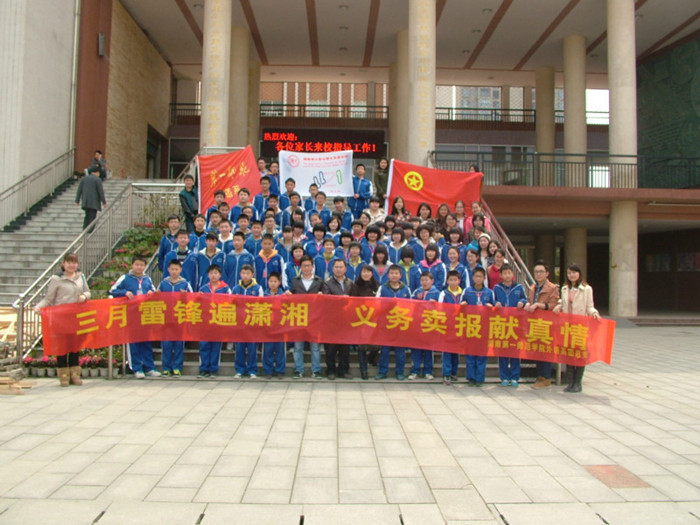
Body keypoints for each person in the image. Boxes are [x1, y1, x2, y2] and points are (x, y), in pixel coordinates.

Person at [34, 253, 90, 386]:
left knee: (75, 346)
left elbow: (88, 292)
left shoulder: (81, 277)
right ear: (63, 264)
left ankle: (75, 374)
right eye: (69, 262)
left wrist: (84, 297)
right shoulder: (56, 279)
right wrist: (38, 307)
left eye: (74, 262)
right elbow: (49, 299)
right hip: (61, 318)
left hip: (76, 317)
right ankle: (63, 375)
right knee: (62, 346)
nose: (72, 265)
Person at [109, 256, 160, 379]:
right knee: (133, 343)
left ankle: (149, 367)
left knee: (146, 342)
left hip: (145, 315)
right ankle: (137, 368)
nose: (139, 267)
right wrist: (124, 293)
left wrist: (151, 293)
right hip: (131, 315)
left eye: (142, 265)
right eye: (137, 265)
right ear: (132, 265)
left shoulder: (147, 279)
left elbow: (154, 291)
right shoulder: (125, 278)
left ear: (145, 266)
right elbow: (112, 290)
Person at [554, 263, 600, 393]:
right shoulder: (565, 289)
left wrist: (594, 313)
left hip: (580, 326)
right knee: (568, 353)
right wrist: (559, 307)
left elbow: (589, 306)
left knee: (580, 354)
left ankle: (578, 383)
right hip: (567, 326)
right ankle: (571, 382)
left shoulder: (586, 289)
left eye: (574, 273)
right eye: (569, 273)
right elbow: (563, 304)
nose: (571, 275)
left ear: (579, 274)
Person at [524, 260, 561, 389]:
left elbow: (553, 304)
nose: (538, 274)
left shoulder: (552, 288)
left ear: (547, 273)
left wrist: (539, 305)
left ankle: (546, 377)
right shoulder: (533, 287)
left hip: (547, 323)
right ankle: (540, 376)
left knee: (545, 350)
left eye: (541, 272)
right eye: (536, 272)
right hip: (535, 322)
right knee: (537, 350)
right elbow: (529, 301)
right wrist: (528, 304)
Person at [288, 255, 324, 379]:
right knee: (298, 346)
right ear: (300, 267)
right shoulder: (295, 281)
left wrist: (322, 294)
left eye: (309, 266)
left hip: (315, 317)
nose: (306, 268)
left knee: (315, 346)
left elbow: (324, 298)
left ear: (312, 267)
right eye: (304, 266)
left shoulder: (319, 281)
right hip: (299, 316)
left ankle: (316, 370)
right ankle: (298, 370)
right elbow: (291, 295)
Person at [158, 259, 193, 377]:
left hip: (180, 317)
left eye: (176, 269)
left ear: (180, 270)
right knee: (166, 344)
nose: (174, 271)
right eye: (172, 269)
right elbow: (156, 297)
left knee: (179, 344)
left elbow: (193, 298)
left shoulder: (185, 284)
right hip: (166, 318)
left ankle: (177, 367)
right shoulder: (163, 283)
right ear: (168, 270)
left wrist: (185, 295)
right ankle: (166, 368)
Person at [493, 264, 527, 387]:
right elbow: (493, 300)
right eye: (504, 273)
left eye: (509, 273)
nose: (507, 275)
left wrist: (522, 302)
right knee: (502, 351)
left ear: (512, 274)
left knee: (515, 351)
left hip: (515, 324)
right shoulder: (497, 288)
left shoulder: (519, 287)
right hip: (501, 323)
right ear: (501, 275)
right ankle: (504, 377)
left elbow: (525, 299)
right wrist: (496, 303)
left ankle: (514, 377)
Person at [375, 264, 411, 380]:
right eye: (392, 273)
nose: (394, 275)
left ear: (400, 275)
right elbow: (376, 304)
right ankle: (382, 371)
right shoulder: (382, 288)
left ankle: (400, 372)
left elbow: (410, 305)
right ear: (388, 275)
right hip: (386, 324)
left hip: (400, 323)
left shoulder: (406, 289)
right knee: (384, 350)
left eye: (396, 273)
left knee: (400, 351)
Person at [322, 259, 355, 379]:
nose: (339, 269)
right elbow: (326, 300)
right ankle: (330, 371)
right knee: (331, 348)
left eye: (341, 267)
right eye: (336, 267)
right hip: (332, 320)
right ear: (332, 268)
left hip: (346, 320)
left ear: (345, 269)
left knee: (344, 348)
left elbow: (354, 300)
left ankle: (343, 370)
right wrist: (342, 298)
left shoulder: (350, 283)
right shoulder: (327, 283)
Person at [463, 267, 494, 386]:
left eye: (480, 276)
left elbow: (495, 308)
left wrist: (492, 307)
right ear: (473, 278)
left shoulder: (489, 292)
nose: (478, 279)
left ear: (484, 278)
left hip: (484, 327)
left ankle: (480, 378)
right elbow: (461, 306)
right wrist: (462, 305)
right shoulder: (467, 291)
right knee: (470, 353)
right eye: (476, 276)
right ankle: (471, 377)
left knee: (481, 354)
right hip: (471, 326)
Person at [230, 264, 263, 379]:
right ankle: (239, 370)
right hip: (240, 323)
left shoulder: (258, 288)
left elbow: (261, 304)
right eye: (243, 273)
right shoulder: (235, 288)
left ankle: (252, 370)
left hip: (252, 322)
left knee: (252, 348)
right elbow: (231, 304)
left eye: (248, 273)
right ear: (240, 274)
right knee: (240, 348)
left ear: (252, 274)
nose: (245, 276)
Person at [408, 272, 440, 380]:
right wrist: (417, 300)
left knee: (428, 350)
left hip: (430, 325)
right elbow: (409, 305)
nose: (424, 282)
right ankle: (415, 370)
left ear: (432, 281)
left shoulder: (437, 293)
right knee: (416, 349)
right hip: (417, 324)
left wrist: (435, 304)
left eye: (426, 280)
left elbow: (442, 308)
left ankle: (428, 371)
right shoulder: (417, 292)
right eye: (422, 280)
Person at [350, 265, 380, 379]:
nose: (366, 274)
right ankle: (363, 370)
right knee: (361, 346)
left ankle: (371, 358)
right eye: (364, 272)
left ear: (372, 273)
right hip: (360, 318)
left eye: (368, 272)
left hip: (374, 318)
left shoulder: (377, 285)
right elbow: (353, 301)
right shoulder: (356, 285)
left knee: (376, 345)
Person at [439, 271, 466, 384]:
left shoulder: (463, 293)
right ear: (447, 281)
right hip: (447, 325)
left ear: (459, 281)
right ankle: (447, 374)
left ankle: (454, 372)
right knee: (447, 351)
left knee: (456, 351)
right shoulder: (444, 293)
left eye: (455, 280)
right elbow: (440, 307)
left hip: (459, 325)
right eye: (451, 280)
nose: (453, 282)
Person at [262, 272, 286, 379]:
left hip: (280, 326)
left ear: (279, 282)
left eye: (275, 281)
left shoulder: (283, 295)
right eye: (271, 281)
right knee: (268, 349)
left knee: (280, 350)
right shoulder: (264, 294)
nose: (272, 283)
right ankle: (268, 370)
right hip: (267, 326)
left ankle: (280, 370)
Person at [76, 166, 106, 231]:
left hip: (86, 202)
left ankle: (84, 229)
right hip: (94, 202)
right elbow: (100, 192)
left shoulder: (84, 179)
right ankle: (89, 231)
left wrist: (77, 200)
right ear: (97, 172)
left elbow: (79, 190)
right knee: (92, 217)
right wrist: (104, 202)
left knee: (87, 216)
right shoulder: (98, 180)